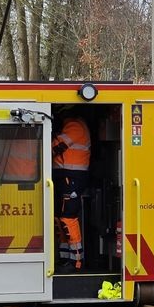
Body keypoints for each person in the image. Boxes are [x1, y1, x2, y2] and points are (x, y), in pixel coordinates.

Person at [52, 112, 91, 273]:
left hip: (72, 178)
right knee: (60, 218)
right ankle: (65, 257)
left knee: (68, 217)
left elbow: (55, 147)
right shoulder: (72, 125)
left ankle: (76, 261)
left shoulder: (75, 126)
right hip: (65, 178)